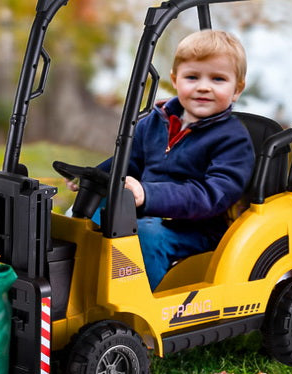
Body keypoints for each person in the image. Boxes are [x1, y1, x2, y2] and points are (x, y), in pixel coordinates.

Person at [74, 29, 256, 289]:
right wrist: (94, 178)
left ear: (236, 89)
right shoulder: (155, 122)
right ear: (175, 80)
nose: (203, 86)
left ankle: (138, 307)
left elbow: (210, 196)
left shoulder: (232, 139)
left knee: (147, 236)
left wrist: (148, 195)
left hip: (196, 229)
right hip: (147, 212)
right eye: (192, 77)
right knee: (87, 212)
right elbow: (129, 162)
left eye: (218, 79)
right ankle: (84, 285)